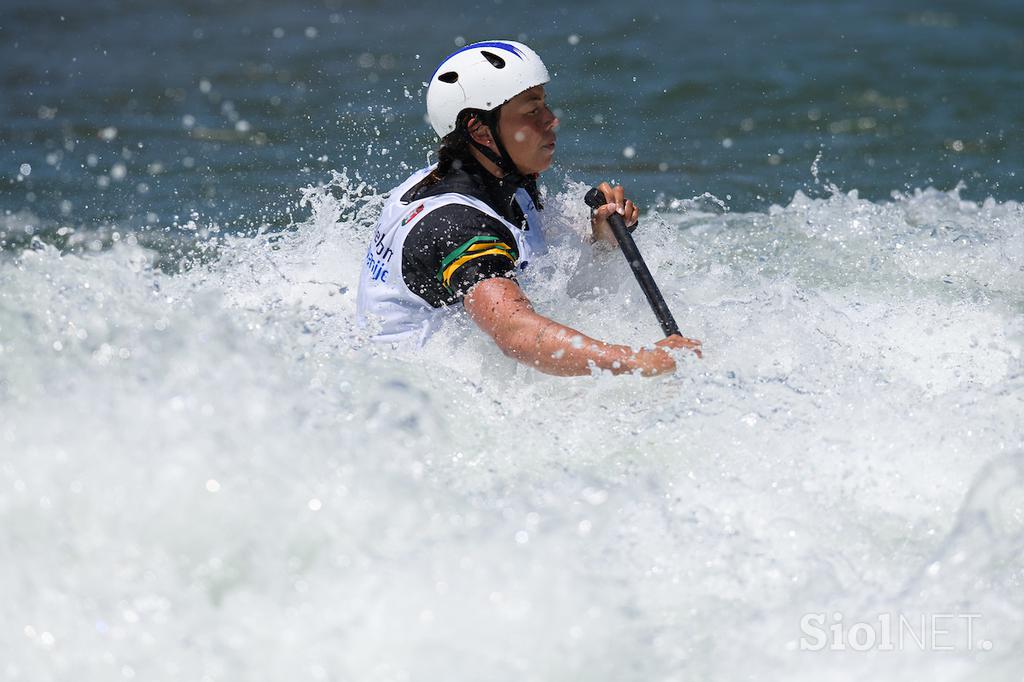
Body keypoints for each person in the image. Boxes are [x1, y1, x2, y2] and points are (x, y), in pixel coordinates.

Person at [356, 40, 701, 376]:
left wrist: (601, 243)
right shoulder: (457, 223)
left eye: (545, 105)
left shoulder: (490, 177)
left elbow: (550, 280)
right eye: (531, 110)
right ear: (480, 130)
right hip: (413, 392)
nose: (552, 120)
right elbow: (515, 333)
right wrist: (638, 361)